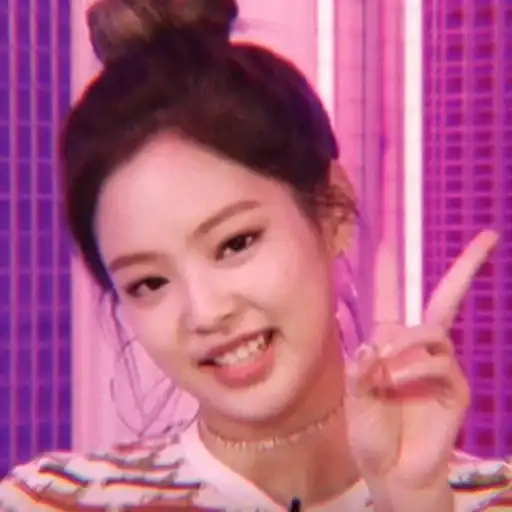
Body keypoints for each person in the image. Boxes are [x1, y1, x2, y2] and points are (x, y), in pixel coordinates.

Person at [1, 0, 510, 510]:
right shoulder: (50, 501)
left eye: (235, 243)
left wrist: (414, 499)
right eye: (149, 283)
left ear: (333, 209)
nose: (206, 313)